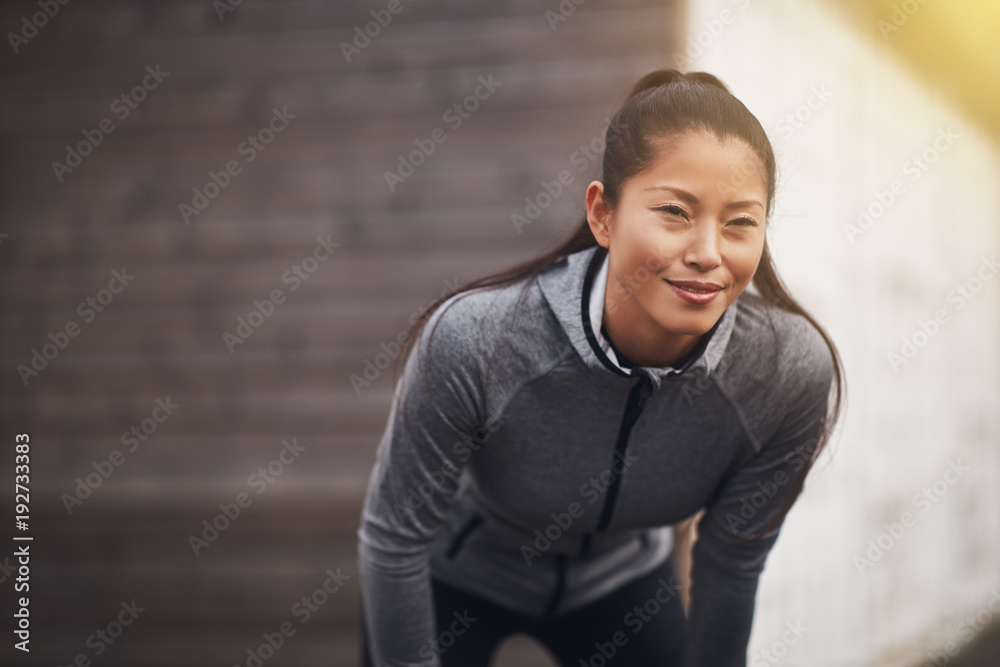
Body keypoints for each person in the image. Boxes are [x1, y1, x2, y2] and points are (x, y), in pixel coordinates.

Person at [356, 68, 845, 667]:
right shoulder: (476, 340)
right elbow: (394, 539)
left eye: (740, 221)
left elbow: (731, 564)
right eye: (674, 211)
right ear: (603, 215)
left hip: (625, 586)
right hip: (461, 578)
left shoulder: (787, 371)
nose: (708, 253)